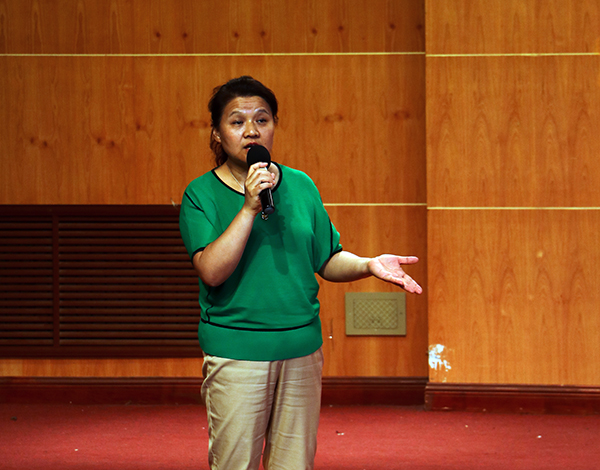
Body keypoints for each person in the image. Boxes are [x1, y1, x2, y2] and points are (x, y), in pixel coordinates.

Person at [179, 75, 422, 470]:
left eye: (262, 119)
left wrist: (368, 264)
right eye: (237, 121)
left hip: (301, 350)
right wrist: (249, 208)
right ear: (217, 134)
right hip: (237, 353)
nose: (251, 130)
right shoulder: (200, 194)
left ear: (274, 126)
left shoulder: (300, 185)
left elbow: (326, 259)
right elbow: (212, 271)